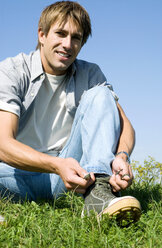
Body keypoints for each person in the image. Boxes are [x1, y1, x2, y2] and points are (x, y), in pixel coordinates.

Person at [0, 1, 141, 224]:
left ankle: (98, 194)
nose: (67, 44)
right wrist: (56, 165)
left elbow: (125, 125)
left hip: (68, 176)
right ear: (42, 35)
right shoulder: (12, 71)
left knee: (101, 95)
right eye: (60, 33)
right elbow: (3, 145)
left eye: (76, 38)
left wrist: (122, 156)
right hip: (14, 174)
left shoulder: (91, 73)